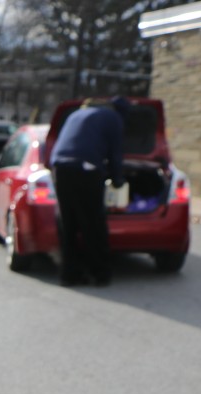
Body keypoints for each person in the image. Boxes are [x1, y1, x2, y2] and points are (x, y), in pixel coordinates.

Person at [48, 96, 131, 286]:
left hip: (60, 168)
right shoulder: (113, 118)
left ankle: (69, 275)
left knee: (68, 223)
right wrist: (118, 179)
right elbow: (116, 154)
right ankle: (100, 274)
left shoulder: (78, 114)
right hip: (86, 170)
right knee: (93, 224)